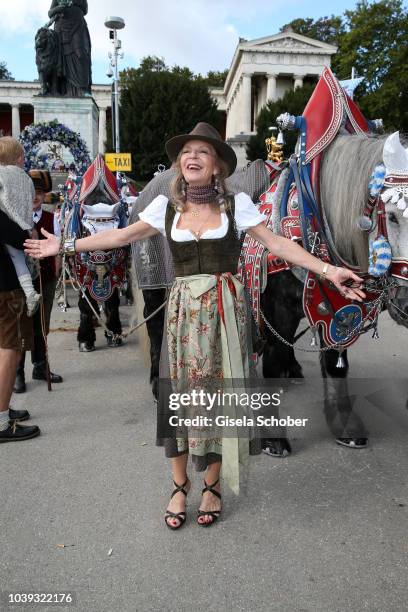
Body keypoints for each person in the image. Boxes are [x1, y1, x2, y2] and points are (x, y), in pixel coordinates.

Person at [25, 123, 365, 526]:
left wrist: (328, 270)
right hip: (184, 314)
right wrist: (63, 244)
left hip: (225, 310)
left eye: (203, 152)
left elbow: (278, 244)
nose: (193, 157)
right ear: (178, 163)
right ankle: (179, 484)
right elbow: (119, 238)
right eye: (187, 152)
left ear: (217, 165)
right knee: (180, 397)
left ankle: (212, 486)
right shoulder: (165, 206)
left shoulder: (237, 205)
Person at [0, 137, 41, 442]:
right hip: (6, 283)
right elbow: (13, 234)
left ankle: (3, 408)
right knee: (9, 351)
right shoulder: (12, 181)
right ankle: (1, 421)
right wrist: (29, 234)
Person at [14, 169, 63, 394]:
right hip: (23, 281)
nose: (35, 196)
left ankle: (40, 365)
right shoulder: (16, 217)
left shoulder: (52, 218)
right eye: (31, 191)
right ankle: (17, 371)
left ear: (45, 196)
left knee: (42, 324)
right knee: (22, 325)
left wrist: (57, 272)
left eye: (40, 192)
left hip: (47, 279)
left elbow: (58, 250)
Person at [0, 137, 41, 317]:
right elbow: (31, 197)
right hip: (24, 225)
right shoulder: (26, 178)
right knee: (22, 260)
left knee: (17, 260)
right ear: (18, 158)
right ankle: (31, 291)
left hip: (8, 224)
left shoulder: (1, 173)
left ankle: (30, 293)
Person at [48, 0, 92, 97]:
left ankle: (83, 89)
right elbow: (50, 13)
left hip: (77, 25)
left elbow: (85, 9)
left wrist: (72, 3)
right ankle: (64, 90)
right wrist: (60, 8)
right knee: (62, 58)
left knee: (80, 55)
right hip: (61, 28)